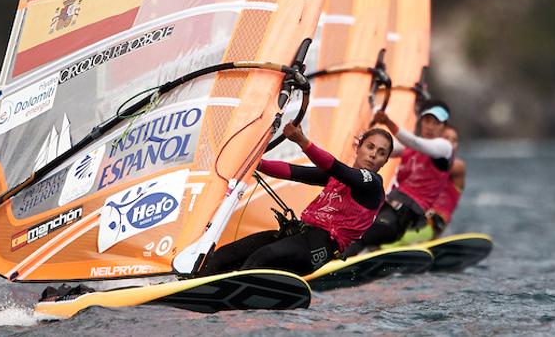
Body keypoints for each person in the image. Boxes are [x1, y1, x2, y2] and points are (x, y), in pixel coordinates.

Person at [199, 121, 393, 276]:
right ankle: (195, 282)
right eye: (370, 147)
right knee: (228, 254)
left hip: (319, 246)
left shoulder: (373, 184)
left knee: (263, 256)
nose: (374, 154)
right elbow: (293, 172)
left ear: (385, 161)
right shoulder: (338, 177)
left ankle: (236, 288)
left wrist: (303, 142)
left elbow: (335, 167)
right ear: (358, 147)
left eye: (381, 153)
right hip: (298, 235)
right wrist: (255, 163)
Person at [343, 101, 453, 255]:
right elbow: (385, 149)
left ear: (444, 127)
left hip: (403, 219)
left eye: (436, 123)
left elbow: (416, 143)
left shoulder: (444, 148)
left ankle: (338, 262)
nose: (430, 126)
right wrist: (363, 140)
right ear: (421, 122)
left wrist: (387, 122)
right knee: (350, 226)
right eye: (427, 121)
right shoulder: (409, 148)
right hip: (387, 206)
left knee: (364, 234)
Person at [424, 124, 466, 238]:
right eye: (446, 139)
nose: (451, 144)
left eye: (454, 140)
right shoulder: (422, 161)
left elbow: (436, 168)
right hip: (415, 216)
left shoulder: (458, 166)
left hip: (436, 222)